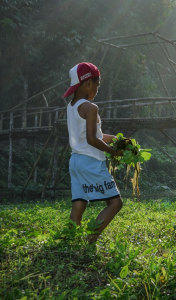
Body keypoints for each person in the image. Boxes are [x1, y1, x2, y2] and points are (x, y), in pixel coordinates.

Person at [64, 62, 123, 244]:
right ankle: (91, 238)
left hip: (75, 161)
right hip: (90, 161)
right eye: (97, 85)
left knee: (79, 203)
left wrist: (120, 140)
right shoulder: (91, 107)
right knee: (115, 203)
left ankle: (71, 239)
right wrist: (114, 152)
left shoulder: (71, 106)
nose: (97, 90)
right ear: (89, 83)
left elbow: (96, 136)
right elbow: (91, 139)